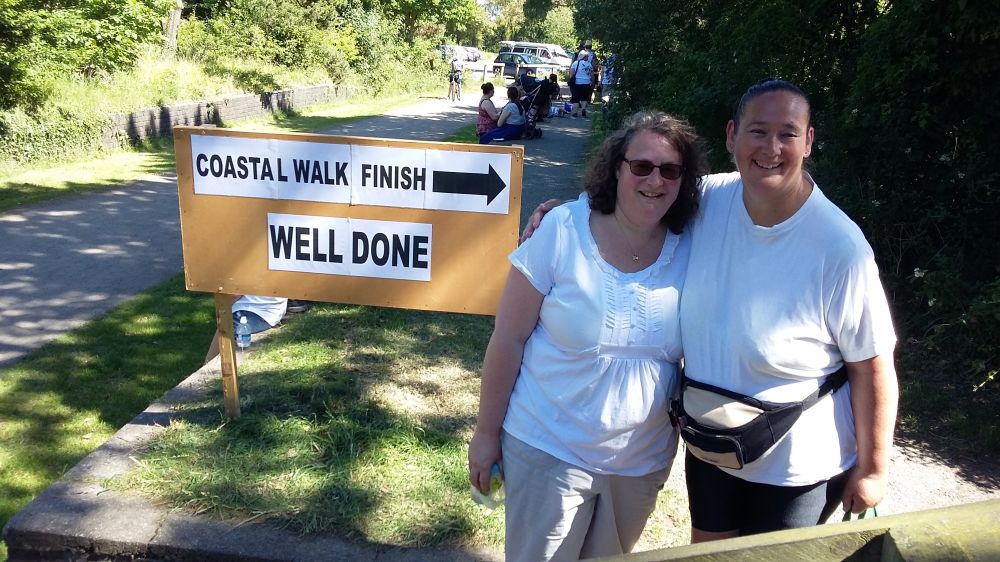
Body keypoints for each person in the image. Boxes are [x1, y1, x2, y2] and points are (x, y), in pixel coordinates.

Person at [520, 78, 899, 541]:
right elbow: (637, 197)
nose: (772, 148)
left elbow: (872, 364)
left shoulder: (840, 247)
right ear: (731, 136)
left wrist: (874, 468)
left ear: (809, 141)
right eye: (758, 131)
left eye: (788, 133)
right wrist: (569, 215)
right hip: (713, 447)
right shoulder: (708, 199)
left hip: (797, 464)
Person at [469, 111, 709, 561]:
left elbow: (760, 180)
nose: (655, 180)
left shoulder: (694, 243)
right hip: (547, 448)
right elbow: (508, 338)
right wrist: (485, 433)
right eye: (641, 166)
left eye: (670, 170)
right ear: (617, 168)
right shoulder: (561, 230)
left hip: (639, 465)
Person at [204, 295, 291, 362]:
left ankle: (207, 370)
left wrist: (221, 309)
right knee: (226, 324)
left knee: (226, 326)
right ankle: (208, 365)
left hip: (252, 310)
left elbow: (234, 294)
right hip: (273, 310)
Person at [569, 51, 595, 118]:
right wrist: (593, 82)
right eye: (587, 56)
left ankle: (575, 112)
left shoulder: (575, 63)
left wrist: (571, 80)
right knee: (584, 98)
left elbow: (572, 73)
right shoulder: (589, 64)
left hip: (577, 83)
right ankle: (583, 109)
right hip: (586, 83)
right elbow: (592, 74)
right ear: (584, 57)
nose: (588, 57)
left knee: (576, 98)